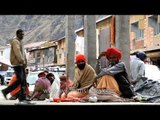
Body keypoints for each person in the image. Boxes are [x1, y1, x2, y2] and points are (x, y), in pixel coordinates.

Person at [1, 29, 29, 103]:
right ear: (17, 34)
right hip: (17, 63)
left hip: (21, 63)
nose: (22, 36)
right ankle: (6, 91)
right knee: (20, 79)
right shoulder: (15, 41)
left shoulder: (21, 42)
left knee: (23, 81)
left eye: (23, 35)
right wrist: (22, 61)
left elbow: (23, 53)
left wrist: (25, 61)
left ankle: (23, 97)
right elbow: (17, 52)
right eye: (21, 34)